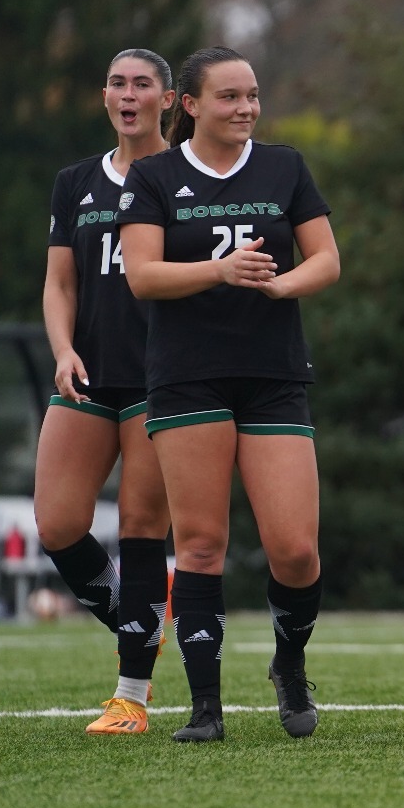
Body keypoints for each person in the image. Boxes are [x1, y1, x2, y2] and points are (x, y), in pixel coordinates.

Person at [117, 46, 341, 743]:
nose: (246, 108)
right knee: (204, 545)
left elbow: (327, 259)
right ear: (189, 104)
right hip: (188, 374)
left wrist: (281, 284)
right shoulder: (155, 176)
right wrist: (219, 270)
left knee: (296, 549)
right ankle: (205, 708)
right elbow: (142, 276)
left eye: (252, 95)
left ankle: (290, 664)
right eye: (229, 97)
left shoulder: (284, 166)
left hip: (272, 374)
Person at [35, 49, 175, 735]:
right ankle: (140, 624)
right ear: (103, 97)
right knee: (58, 523)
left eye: (142, 83)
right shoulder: (76, 182)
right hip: (88, 376)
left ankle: (130, 697)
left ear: (170, 100)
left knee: (141, 526)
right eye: (118, 83)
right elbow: (60, 283)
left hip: (161, 376)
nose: (128, 94)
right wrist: (63, 349)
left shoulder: (187, 178)